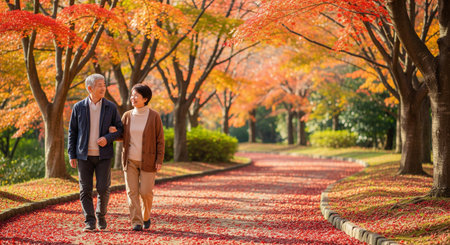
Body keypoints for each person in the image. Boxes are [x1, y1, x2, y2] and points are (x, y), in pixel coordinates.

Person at [68, 73, 123, 232]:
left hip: (103, 156)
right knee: (84, 190)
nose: (103, 88)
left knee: (103, 188)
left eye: (104, 84)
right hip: (83, 155)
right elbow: (72, 132)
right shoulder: (79, 107)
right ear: (90, 88)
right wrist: (72, 154)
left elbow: (120, 129)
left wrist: (108, 137)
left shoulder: (110, 107)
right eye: (100, 85)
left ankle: (100, 214)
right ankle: (89, 221)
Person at [110, 84, 164, 231]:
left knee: (146, 192)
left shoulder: (154, 116)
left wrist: (159, 160)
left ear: (145, 99)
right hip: (130, 160)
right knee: (132, 192)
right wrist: (114, 132)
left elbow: (160, 139)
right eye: (132, 95)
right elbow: (122, 136)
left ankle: (146, 216)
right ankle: (136, 221)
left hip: (148, 160)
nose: (132, 98)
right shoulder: (127, 115)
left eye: (136, 96)